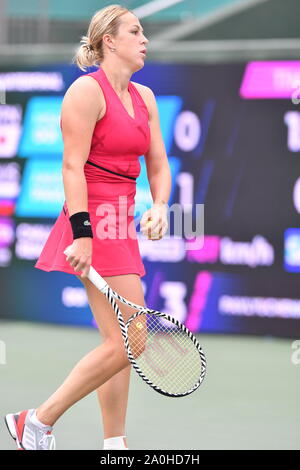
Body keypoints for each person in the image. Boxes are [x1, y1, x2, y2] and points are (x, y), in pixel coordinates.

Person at [4, 4, 171, 450]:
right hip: (91, 222)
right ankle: (36, 421)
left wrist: (160, 205)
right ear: (109, 41)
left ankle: (113, 444)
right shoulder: (85, 92)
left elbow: (157, 163)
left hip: (122, 223)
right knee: (129, 341)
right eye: (135, 32)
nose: (144, 40)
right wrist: (82, 234)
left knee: (120, 343)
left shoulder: (146, 98)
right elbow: (71, 167)